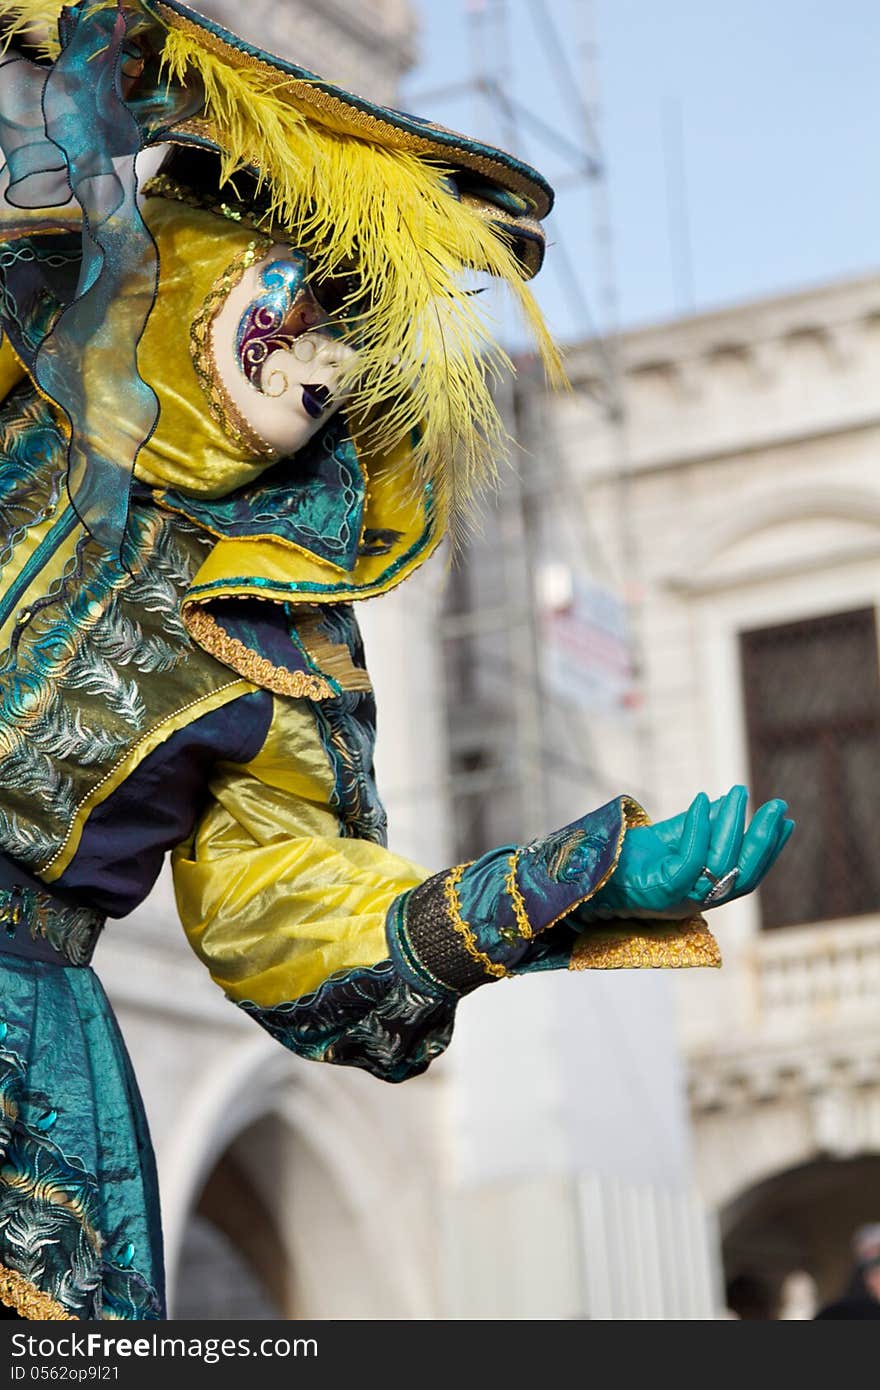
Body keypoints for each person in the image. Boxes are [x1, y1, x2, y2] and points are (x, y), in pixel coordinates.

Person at [0, 0, 794, 1320]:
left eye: (361, 336)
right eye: (320, 299)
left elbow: (289, 909)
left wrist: (558, 887)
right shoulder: (28, 365)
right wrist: (50, 95)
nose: (327, 363)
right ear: (209, 247)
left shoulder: (274, 624)